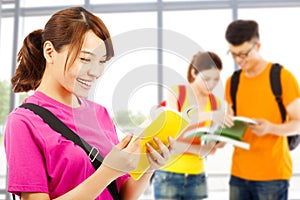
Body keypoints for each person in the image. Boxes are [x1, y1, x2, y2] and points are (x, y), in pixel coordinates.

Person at [4, 6, 173, 200]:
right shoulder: (23, 122)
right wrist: (109, 170)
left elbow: (123, 194)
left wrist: (150, 167)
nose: (96, 72)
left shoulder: (99, 113)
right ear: (49, 52)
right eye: (85, 59)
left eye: (102, 61)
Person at [224, 19, 300, 200]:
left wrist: (270, 128)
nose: (238, 60)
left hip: (272, 176)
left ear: (257, 46)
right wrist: (222, 126)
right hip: (238, 174)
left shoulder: (281, 77)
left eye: (243, 54)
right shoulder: (232, 82)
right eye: (233, 54)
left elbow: (298, 123)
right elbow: (231, 124)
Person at [153, 51, 225, 200]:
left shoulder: (215, 103)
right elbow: (171, 135)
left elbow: (209, 148)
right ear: (194, 72)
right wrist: (206, 116)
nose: (211, 84)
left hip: (197, 177)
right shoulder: (177, 92)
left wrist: (220, 141)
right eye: (207, 78)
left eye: (216, 79)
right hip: (168, 175)